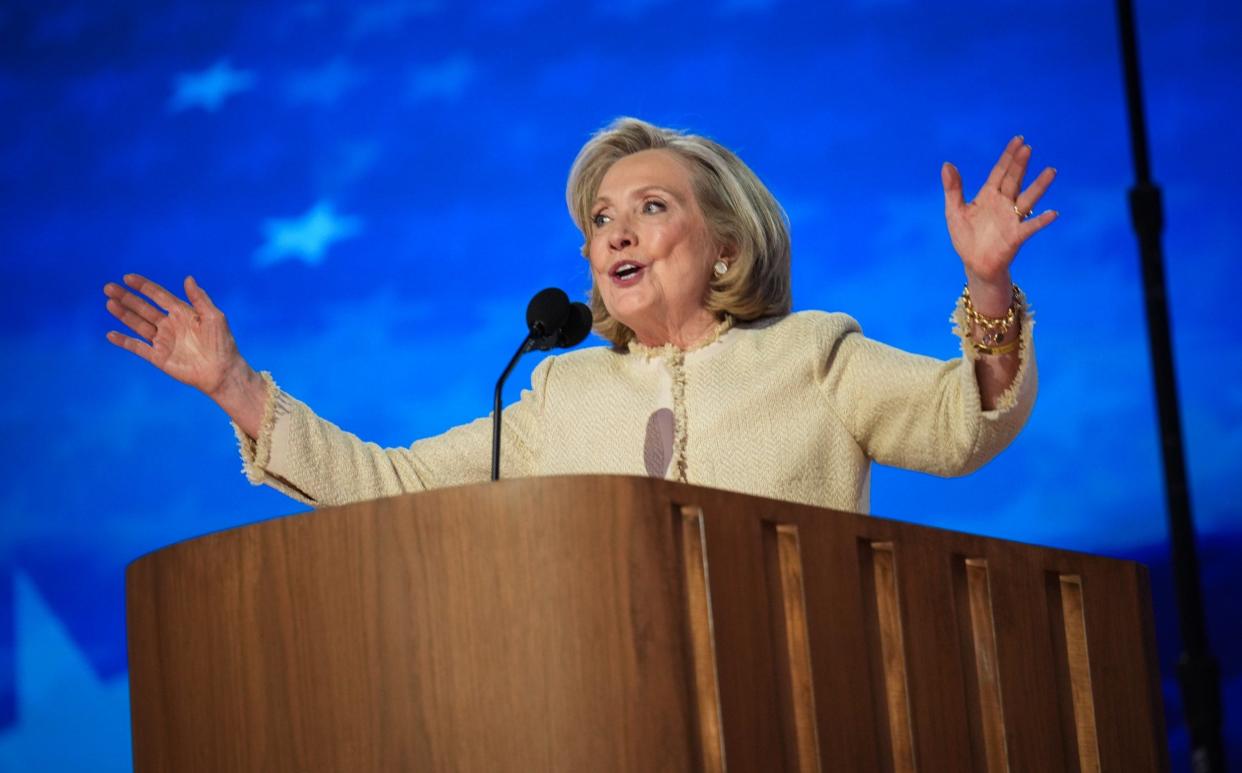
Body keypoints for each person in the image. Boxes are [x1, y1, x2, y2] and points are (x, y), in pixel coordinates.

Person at [103, 118, 1056, 513]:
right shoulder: (562, 391)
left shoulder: (814, 354)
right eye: (600, 220)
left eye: (650, 206)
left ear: (725, 244)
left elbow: (957, 424)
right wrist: (236, 388)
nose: (615, 233)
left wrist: (987, 287)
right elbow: (390, 485)